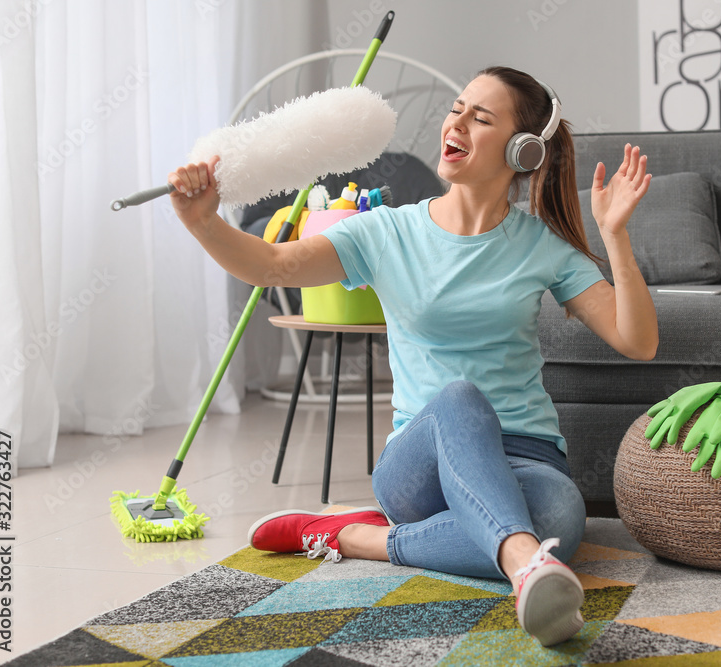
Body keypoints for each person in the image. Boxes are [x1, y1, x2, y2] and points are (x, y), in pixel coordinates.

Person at [168, 65, 658, 647]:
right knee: (460, 396)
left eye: (481, 118)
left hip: (526, 456)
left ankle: (361, 538)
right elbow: (273, 265)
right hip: (418, 463)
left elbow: (638, 341)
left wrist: (616, 236)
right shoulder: (386, 232)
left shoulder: (540, 248)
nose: (456, 124)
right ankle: (525, 561)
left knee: (560, 519)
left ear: (522, 151)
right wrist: (202, 223)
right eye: (457, 110)